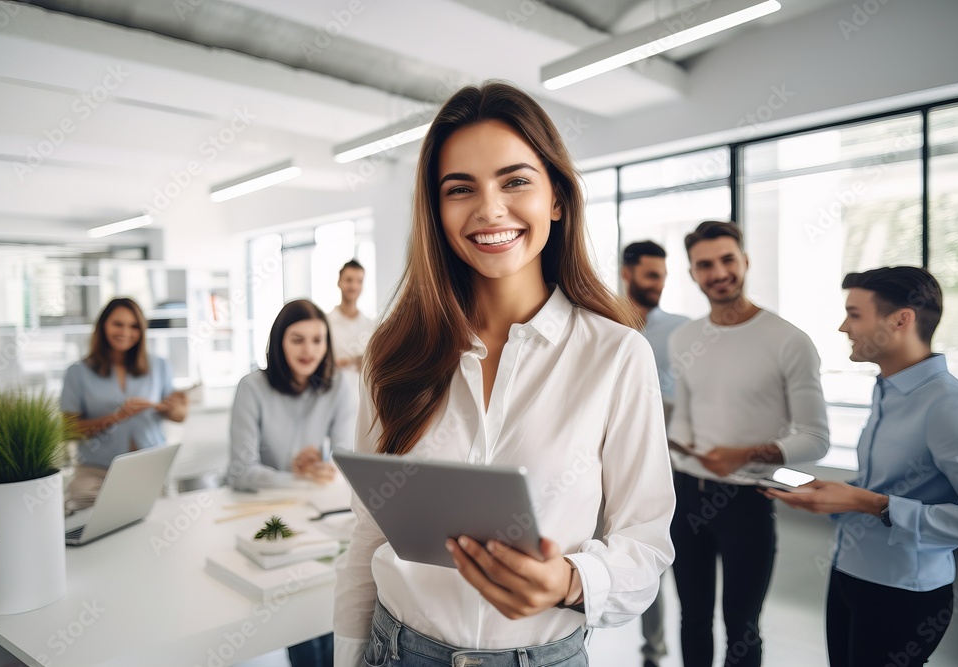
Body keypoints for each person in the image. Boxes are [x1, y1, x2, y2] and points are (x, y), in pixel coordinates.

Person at [333, 81, 675, 667]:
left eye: (515, 181)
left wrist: (570, 580)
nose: (489, 209)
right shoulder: (392, 353)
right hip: (396, 651)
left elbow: (646, 543)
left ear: (557, 199)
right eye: (459, 189)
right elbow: (369, 533)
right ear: (436, 213)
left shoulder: (617, 356)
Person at [766, 266, 958, 667]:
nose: (842, 327)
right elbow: (890, 484)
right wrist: (835, 496)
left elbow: (883, 499)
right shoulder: (887, 387)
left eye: (854, 314)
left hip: (903, 592)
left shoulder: (947, 405)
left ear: (901, 320)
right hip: (849, 574)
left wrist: (871, 503)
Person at [667, 221, 829, 667]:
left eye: (727, 260)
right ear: (693, 273)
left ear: (745, 262)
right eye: (705, 265)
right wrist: (670, 444)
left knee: (741, 625)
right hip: (686, 497)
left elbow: (815, 439)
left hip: (747, 501)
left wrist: (742, 455)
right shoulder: (685, 339)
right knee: (692, 617)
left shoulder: (788, 340)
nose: (718, 272)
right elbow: (685, 418)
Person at [228, 298, 354, 667]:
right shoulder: (252, 387)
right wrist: (296, 475)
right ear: (279, 341)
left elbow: (343, 459)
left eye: (317, 340)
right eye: (297, 339)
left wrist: (322, 468)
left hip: (319, 512)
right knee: (296, 609)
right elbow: (240, 471)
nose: (309, 350)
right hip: (263, 513)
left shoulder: (338, 387)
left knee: (328, 602)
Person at [622, 240, 689, 667]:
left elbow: (692, 399)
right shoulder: (600, 319)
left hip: (669, 463)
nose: (658, 284)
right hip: (608, 461)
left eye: (663, 276)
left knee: (654, 557)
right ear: (627, 273)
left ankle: (655, 650)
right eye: (650, 276)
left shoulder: (682, 331)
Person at [60, 297, 188, 510]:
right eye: (118, 324)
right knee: (86, 524)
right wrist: (116, 417)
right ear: (103, 326)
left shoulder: (159, 366)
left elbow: (180, 416)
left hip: (151, 469)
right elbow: (69, 430)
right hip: (96, 474)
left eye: (134, 326)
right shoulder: (78, 372)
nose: (125, 332)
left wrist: (174, 408)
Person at [327, 259, 375, 415]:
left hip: (363, 402)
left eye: (359, 281)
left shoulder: (371, 326)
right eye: (348, 280)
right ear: (339, 282)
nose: (353, 286)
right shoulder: (325, 323)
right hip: (332, 400)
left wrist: (359, 360)